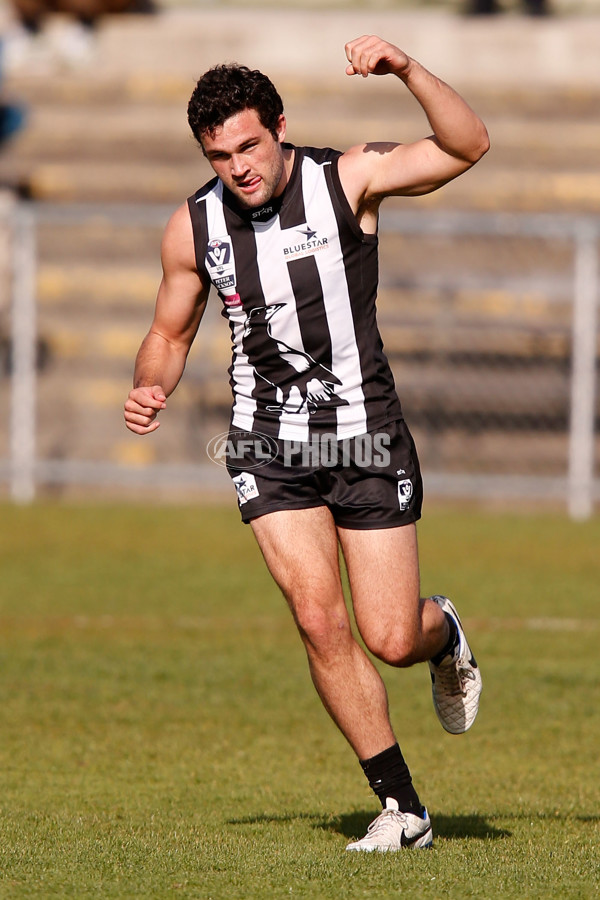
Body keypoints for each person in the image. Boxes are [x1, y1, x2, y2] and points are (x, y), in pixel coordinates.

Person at [124, 34, 489, 852]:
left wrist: (405, 71)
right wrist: (153, 381)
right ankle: (404, 808)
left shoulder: (346, 179)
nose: (239, 167)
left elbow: (469, 145)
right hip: (266, 447)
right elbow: (168, 331)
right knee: (319, 621)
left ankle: (446, 633)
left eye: (250, 145)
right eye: (219, 155)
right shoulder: (194, 227)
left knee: (392, 637)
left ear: (280, 126)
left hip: (366, 440)